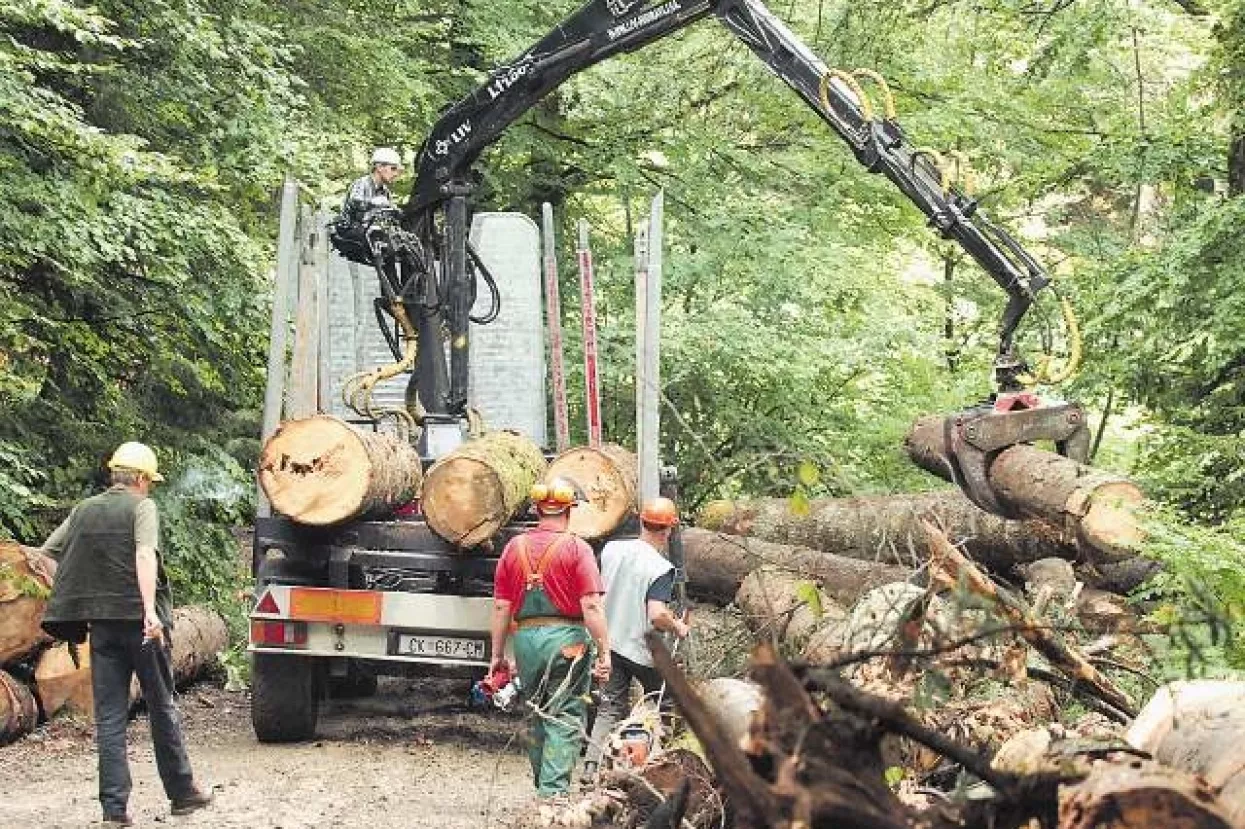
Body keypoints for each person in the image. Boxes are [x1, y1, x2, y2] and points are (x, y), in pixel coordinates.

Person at [21, 442, 212, 826]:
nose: (149, 487)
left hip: (103, 628)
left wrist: (78, 598)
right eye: (149, 481)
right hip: (142, 627)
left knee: (109, 717)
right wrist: (149, 612)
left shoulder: (84, 510)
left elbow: (44, 554)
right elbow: (144, 554)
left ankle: (114, 810)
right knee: (161, 706)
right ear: (140, 478)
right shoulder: (142, 507)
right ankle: (182, 793)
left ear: (114, 473)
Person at [489, 477, 611, 798]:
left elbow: (501, 606)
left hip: (526, 641)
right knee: (565, 713)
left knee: (535, 713)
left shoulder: (513, 547)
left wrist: (497, 655)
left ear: (537, 509)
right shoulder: (577, 548)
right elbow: (591, 605)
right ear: (569, 511)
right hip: (566, 641)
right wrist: (605, 652)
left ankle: (543, 787)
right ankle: (552, 796)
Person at [581, 496, 689, 783]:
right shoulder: (660, 568)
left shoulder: (611, 550)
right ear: (668, 531)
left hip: (609, 644)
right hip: (640, 649)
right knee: (668, 702)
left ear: (642, 522)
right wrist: (677, 626)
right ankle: (666, 765)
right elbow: (656, 614)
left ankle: (591, 767)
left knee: (609, 707)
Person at [340, 147, 404, 229]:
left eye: (397, 170)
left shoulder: (385, 191)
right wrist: (373, 203)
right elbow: (355, 203)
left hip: (370, 232)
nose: (396, 174)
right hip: (350, 231)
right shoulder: (362, 183)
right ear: (379, 167)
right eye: (393, 169)